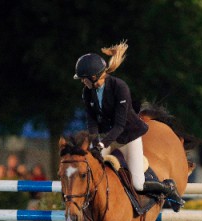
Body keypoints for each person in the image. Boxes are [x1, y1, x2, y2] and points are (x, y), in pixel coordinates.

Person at [73, 40, 184, 211]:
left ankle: (166, 188)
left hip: (128, 136)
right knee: (90, 170)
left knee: (138, 183)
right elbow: (91, 121)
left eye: (83, 79)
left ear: (93, 77)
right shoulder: (87, 92)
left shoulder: (120, 87)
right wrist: (95, 142)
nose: (82, 82)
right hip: (107, 138)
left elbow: (119, 125)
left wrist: (102, 144)